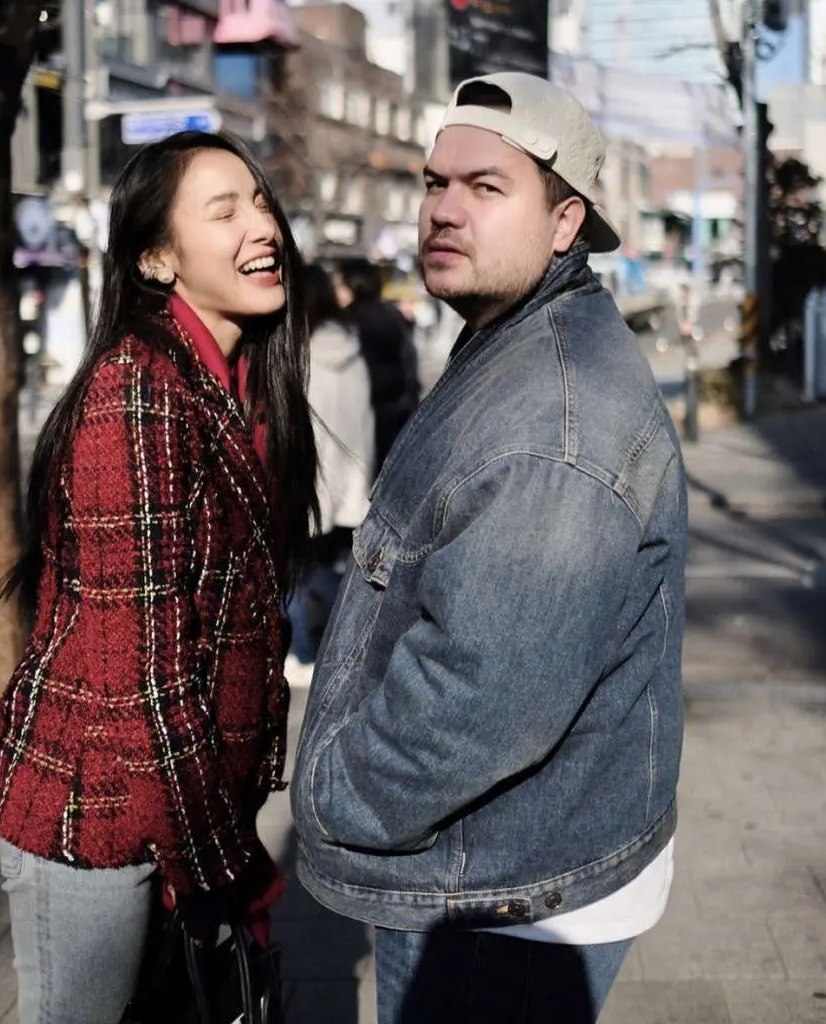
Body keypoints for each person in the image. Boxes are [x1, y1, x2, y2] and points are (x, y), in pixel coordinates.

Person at [292, 72, 687, 1024]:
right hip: (508, 862)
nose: (443, 209)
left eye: (486, 187)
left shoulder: (553, 427)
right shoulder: (518, 334)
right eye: (436, 183)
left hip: (503, 894)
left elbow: (476, 705)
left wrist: (330, 794)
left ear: (564, 222)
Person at [0, 130, 319, 1024]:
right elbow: (141, 679)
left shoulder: (230, 385)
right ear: (157, 260)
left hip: (172, 807)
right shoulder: (136, 393)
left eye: (260, 202)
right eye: (224, 211)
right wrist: (222, 870)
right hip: (98, 809)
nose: (262, 226)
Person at [286, 263, 375, 668]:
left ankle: (303, 652)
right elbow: (366, 421)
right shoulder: (352, 349)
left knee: (296, 573)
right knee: (331, 571)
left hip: (309, 482)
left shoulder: (300, 356)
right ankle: (340, 652)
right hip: (350, 479)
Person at [335, 259, 420, 472]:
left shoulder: (348, 322)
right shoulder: (393, 316)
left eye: (340, 285)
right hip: (397, 412)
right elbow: (409, 363)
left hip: (364, 416)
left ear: (353, 286)